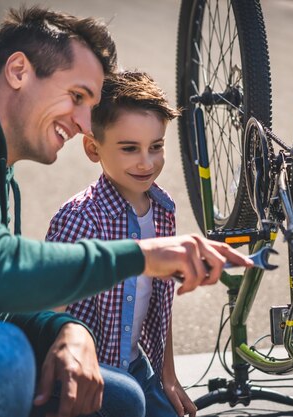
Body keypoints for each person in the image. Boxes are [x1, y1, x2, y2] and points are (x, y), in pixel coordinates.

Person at [0, 5, 253, 417]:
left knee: (118, 395)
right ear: (18, 71)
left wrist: (67, 330)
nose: (84, 122)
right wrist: (144, 255)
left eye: (91, 105)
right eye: (77, 97)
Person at [46, 70, 196, 416]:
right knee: (128, 402)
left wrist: (167, 375)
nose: (147, 162)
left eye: (156, 147)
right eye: (129, 149)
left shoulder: (162, 210)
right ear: (92, 148)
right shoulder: (79, 218)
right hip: (87, 376)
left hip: (137, 368)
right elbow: (48, 313)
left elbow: (162, 302)